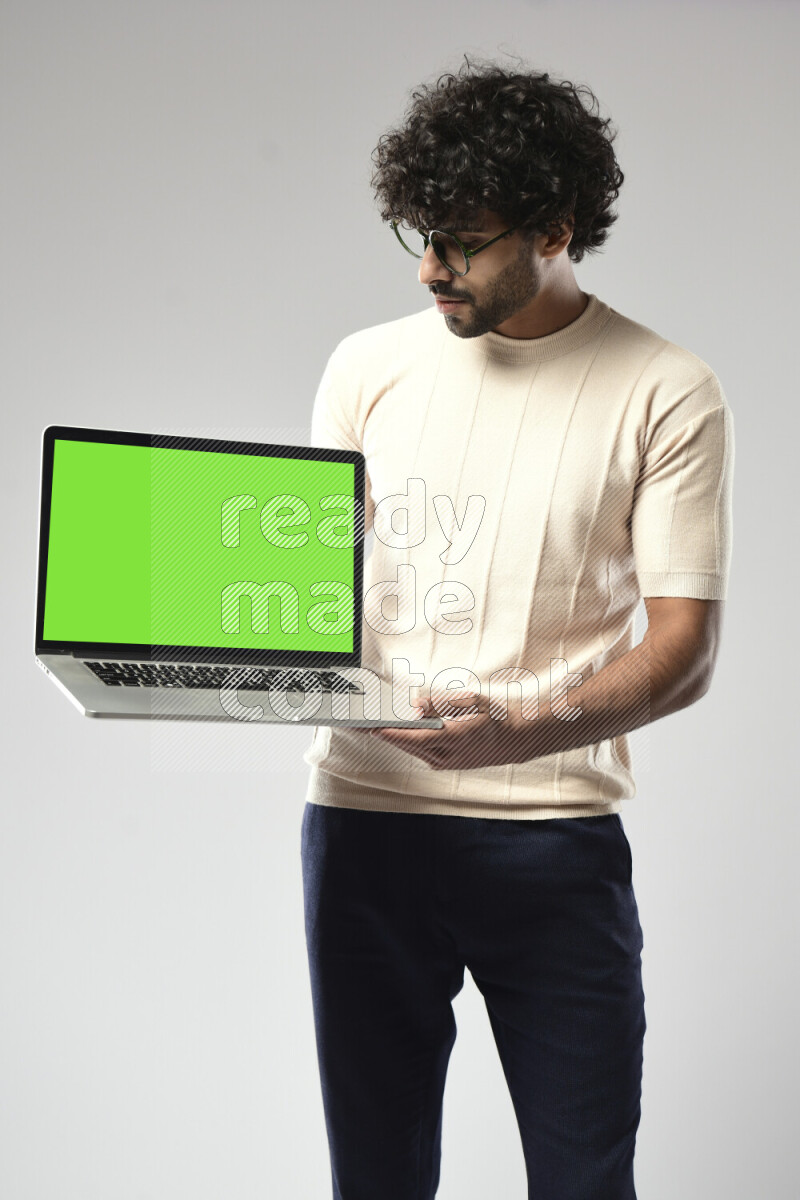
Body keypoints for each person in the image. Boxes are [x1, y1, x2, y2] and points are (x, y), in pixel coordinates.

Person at [300, 54, 734, 1200]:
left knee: (584, 1185)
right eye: (420, 238)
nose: (433, 269)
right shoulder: (364, 368)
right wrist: (205, 659)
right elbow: (310, 598)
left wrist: (523, 727)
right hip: (363, 824)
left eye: (464, 240)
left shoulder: (664, 387)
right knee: (374, 1182)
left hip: (550, 840)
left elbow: (683, 644)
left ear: (554, 226)